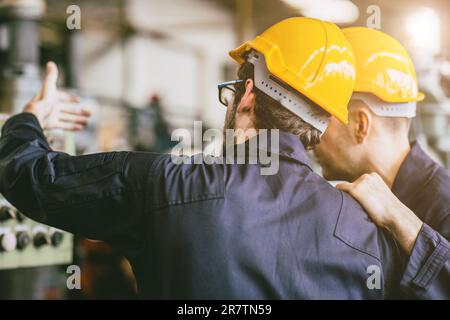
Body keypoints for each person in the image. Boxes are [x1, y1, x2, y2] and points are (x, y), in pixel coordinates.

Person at [0, 18, 405, 299]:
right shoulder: (367, 231)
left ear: (246, 95)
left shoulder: (164, 184)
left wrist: (29, 117)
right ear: (318, 126)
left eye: (231, 94)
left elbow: (28, 174)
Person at [314, 27, 449, 299]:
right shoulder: (360, 198)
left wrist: (402, 221)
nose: (312, 135)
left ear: (360, 125)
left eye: (320, 117)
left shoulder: (444, 206)